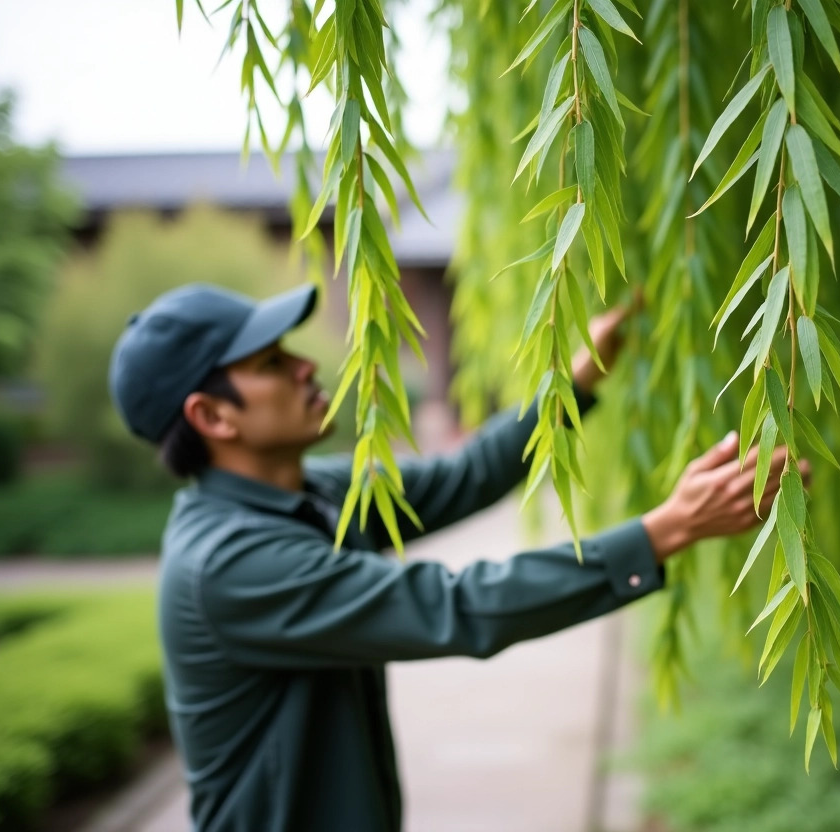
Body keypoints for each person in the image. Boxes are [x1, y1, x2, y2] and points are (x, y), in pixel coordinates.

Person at [108, 281, 792, 832]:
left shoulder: (312, 489)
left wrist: (575, 383)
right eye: (271, 365)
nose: (307, 365)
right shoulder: (228, 564)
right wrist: (663, 531)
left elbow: (465, 475)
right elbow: (458, 606)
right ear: (213, 417)